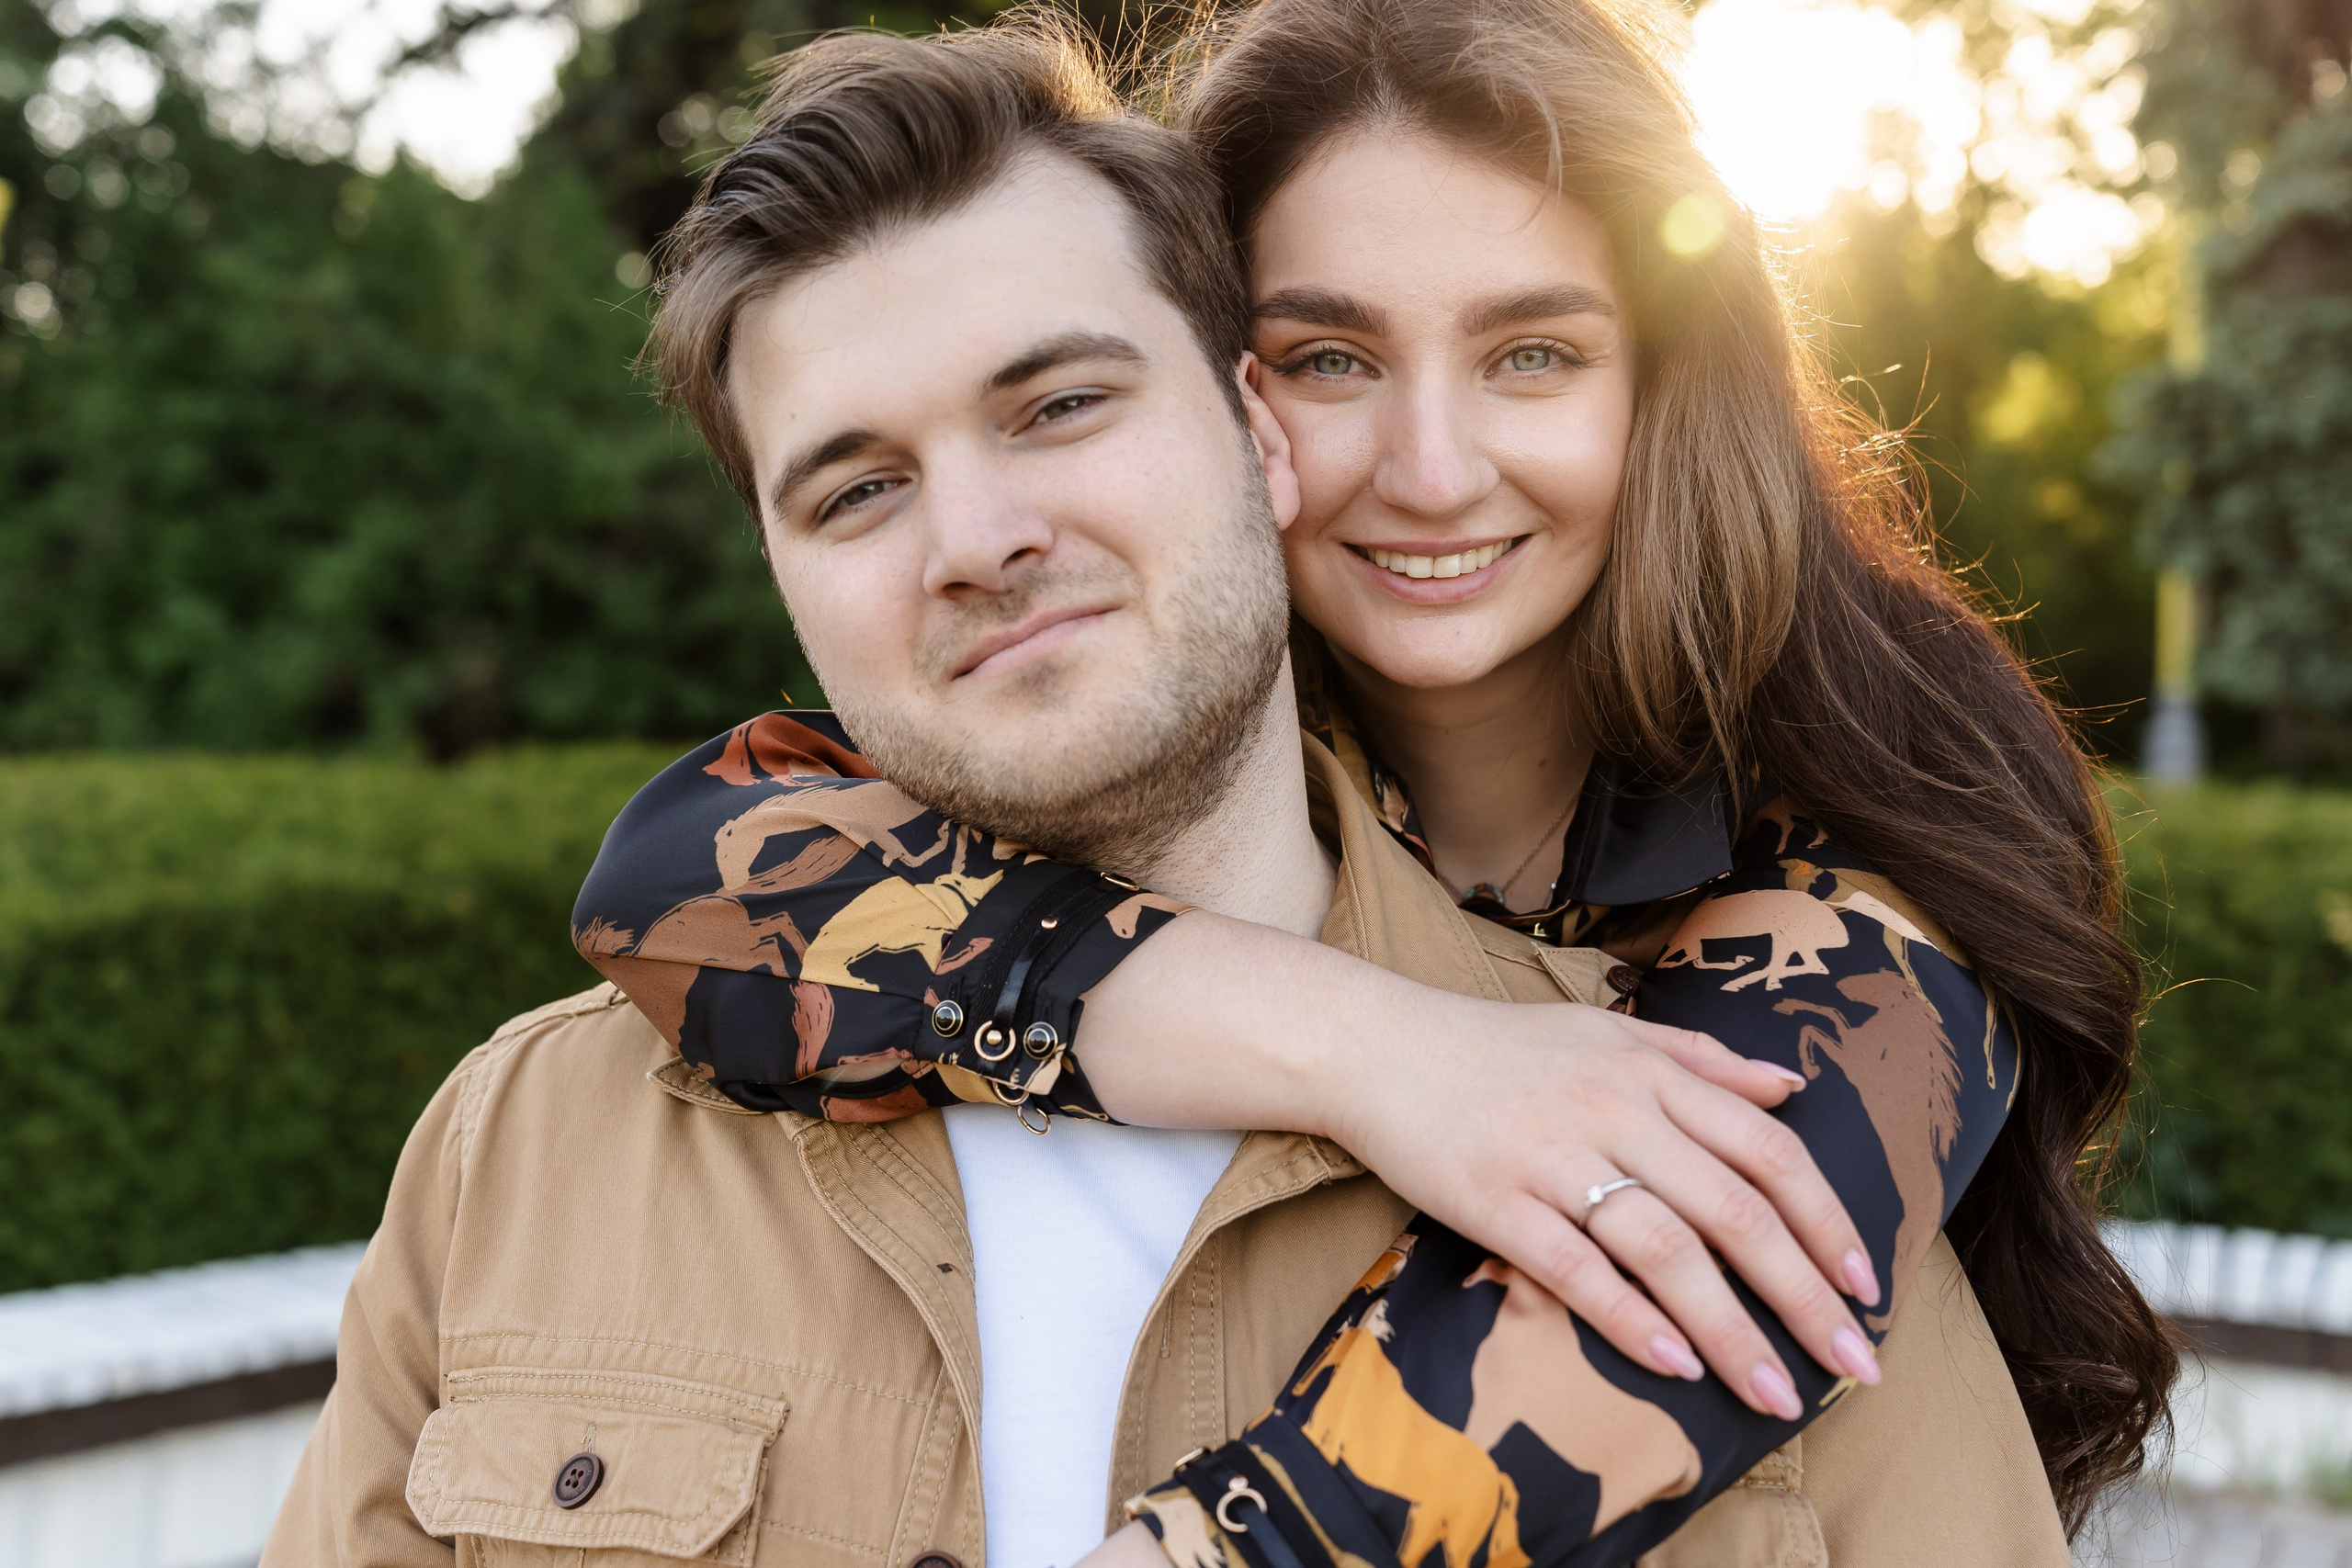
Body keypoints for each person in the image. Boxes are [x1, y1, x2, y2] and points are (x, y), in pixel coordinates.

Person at [569, 1, 2179, 1565]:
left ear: (1665, 378)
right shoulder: (1161, 737)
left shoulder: (1864, 829)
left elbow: (1603, 1341)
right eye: (1331, 357)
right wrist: (1384, 1052)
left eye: (1532, 354)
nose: (1430, 471)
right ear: (1232, 399)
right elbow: (678, 880)